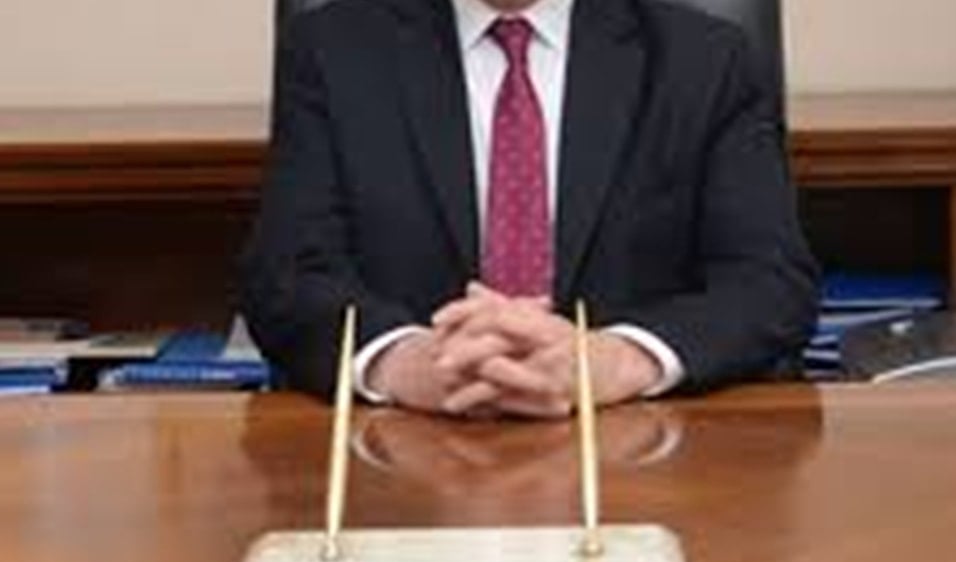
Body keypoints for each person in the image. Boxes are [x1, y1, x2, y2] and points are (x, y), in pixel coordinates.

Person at [240, 0, 819, 418]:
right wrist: (407, 362)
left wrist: (614, 361)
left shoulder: (706, 61)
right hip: (408, 455)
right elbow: (288, 276)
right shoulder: (331, 51)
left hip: (639, 452)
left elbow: (770, 283)